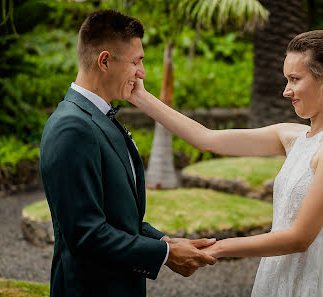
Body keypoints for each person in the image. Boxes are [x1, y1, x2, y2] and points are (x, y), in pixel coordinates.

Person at [128, 30, 323, 297]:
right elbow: (207, 139)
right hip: (278, 270)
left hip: (316, 279)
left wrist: (217, 248)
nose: (286, 91)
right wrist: (140, 97)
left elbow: (300, 237)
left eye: (294, 79)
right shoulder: (293, 136)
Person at [39, 9, 216, 297]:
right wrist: (165, 254)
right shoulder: (72, 127)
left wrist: (165, 241)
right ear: (105, 61)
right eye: (136, 62)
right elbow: (86, 234)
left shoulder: (97, 117)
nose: (142, 73)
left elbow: (118, 219)